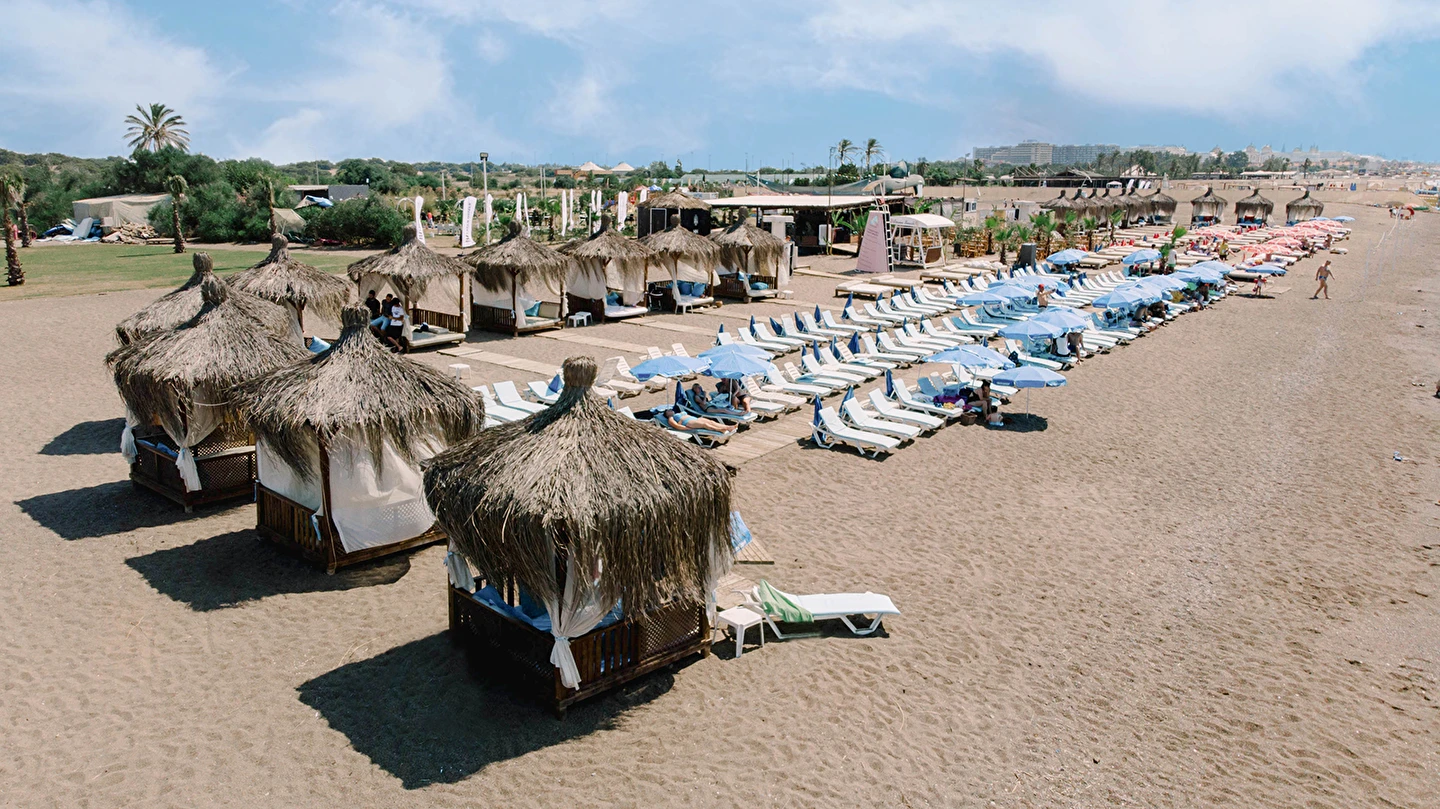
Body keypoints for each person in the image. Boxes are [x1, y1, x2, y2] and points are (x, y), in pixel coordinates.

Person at [660, 404, 734, 435]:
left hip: (694, 419)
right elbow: (676, 425)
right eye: (668, 411)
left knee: (711, 421)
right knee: (705, 424)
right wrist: (685, 428)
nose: (670, 410)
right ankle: (720, 430)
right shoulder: (670, 418)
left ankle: (727, 427)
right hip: (688, 422)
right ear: (667, 414)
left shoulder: (678, 413)